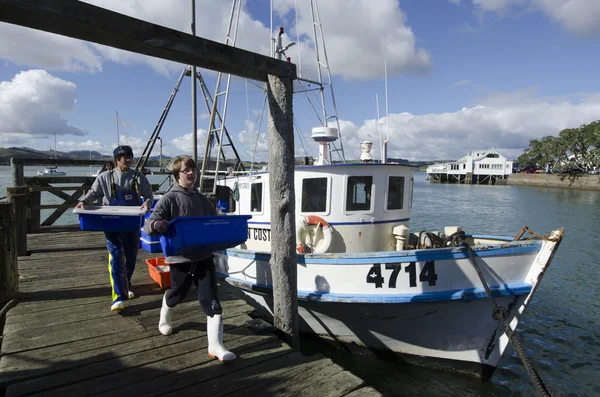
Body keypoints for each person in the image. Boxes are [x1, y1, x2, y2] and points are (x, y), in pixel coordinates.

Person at [143, 155, 235, 363]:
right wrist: (157, 225)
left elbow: (214, 221)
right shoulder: (169, 198)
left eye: (193, 169)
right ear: (177, 175)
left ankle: (216, 346)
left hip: (204, 256)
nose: (191, 173)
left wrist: (227, 226)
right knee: (178, 293)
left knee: (211, 299)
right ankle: (165, 313)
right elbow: (150, 223)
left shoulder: (202, 199)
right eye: (186, 170)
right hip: (180, 259)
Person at [76, 145, 153, 311]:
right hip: (110, 221)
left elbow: (149, 195)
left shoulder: (138, 177)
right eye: (126, 156)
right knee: (116, 255)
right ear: (117, 159)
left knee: (131, 256)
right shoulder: (104, 177)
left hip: (132, 222)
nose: (130, 159)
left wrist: (147, 203)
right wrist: (83, 201)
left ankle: (125, 284)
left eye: (131, 156)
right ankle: (118, 296)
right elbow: (93, 193)